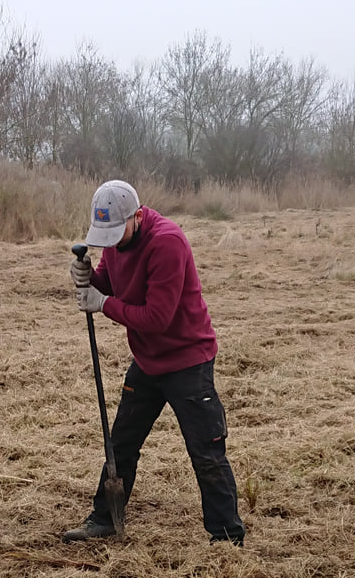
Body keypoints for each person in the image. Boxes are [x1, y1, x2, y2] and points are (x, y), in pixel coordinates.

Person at [63, 180, 244, 544]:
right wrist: (89, 279)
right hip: (147, 360)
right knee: (122, 442)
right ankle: (106, 519)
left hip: (187, 360)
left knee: (206, 451)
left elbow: (156, 317)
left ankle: (226, 538)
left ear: (139, 217)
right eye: (106, 236)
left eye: (117, 232)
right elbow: (111, 282)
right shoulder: (117, 242)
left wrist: (103, 304)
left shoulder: (167, 243)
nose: (111, 242)